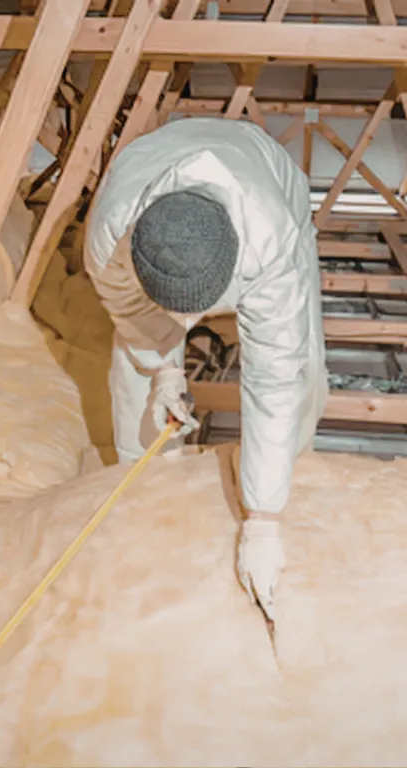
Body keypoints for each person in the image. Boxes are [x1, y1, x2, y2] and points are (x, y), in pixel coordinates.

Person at [84, 117, 329, 621]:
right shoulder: (108, 237)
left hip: (267, 175)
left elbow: (273, 377)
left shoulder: (271, 241)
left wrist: (260, 520)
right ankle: (147, 485)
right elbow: (131, 314)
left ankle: (284, 479)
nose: (190, 324)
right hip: (153, 166)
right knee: (131, 369)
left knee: (299, 366)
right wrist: (164, 371)